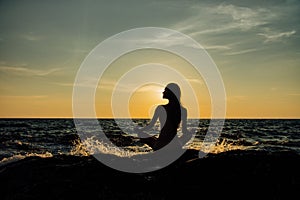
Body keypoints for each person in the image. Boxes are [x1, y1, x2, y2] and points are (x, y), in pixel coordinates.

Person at [135, 83, 192, 151]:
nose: (163, 92)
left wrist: (139, 130)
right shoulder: (183, 110)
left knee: (141, 134)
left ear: (171, 93)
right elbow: (184, 131)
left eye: (165, 90)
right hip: (176, 145)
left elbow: (150, 126)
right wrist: (190, 133)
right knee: (188, 135)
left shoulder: (160, 108)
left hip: (161, 145)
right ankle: (176, 144)